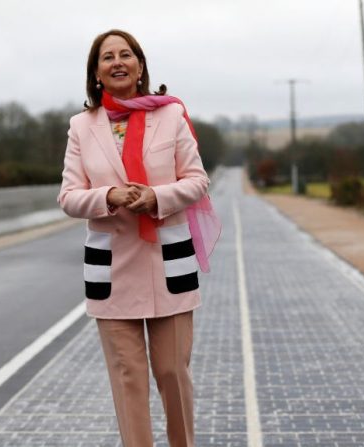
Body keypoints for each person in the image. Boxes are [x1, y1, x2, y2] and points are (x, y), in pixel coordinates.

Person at [57, 29, 219, 447]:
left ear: (140, 65)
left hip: (169, 260)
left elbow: (198, 181)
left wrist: (156, 196)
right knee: (129, 379)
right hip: (111, 268)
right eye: (107, 57)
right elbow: (69, 197)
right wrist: (108, 196)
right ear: (96, 74)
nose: (117, 62)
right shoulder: (81, 126)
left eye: (125, 54)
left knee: (171, 372)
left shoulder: (171, 115)